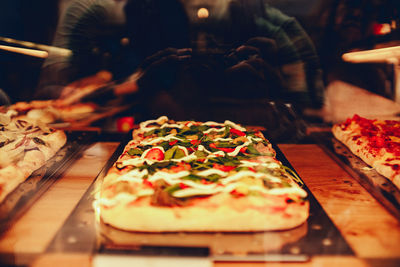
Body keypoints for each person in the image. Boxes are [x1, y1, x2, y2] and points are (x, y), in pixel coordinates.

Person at [36, 0, 325, 141]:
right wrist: (107, 82)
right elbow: (147, 62)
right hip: (166, 124)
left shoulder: (260, 14)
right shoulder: (141, 9)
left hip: (250, 122)